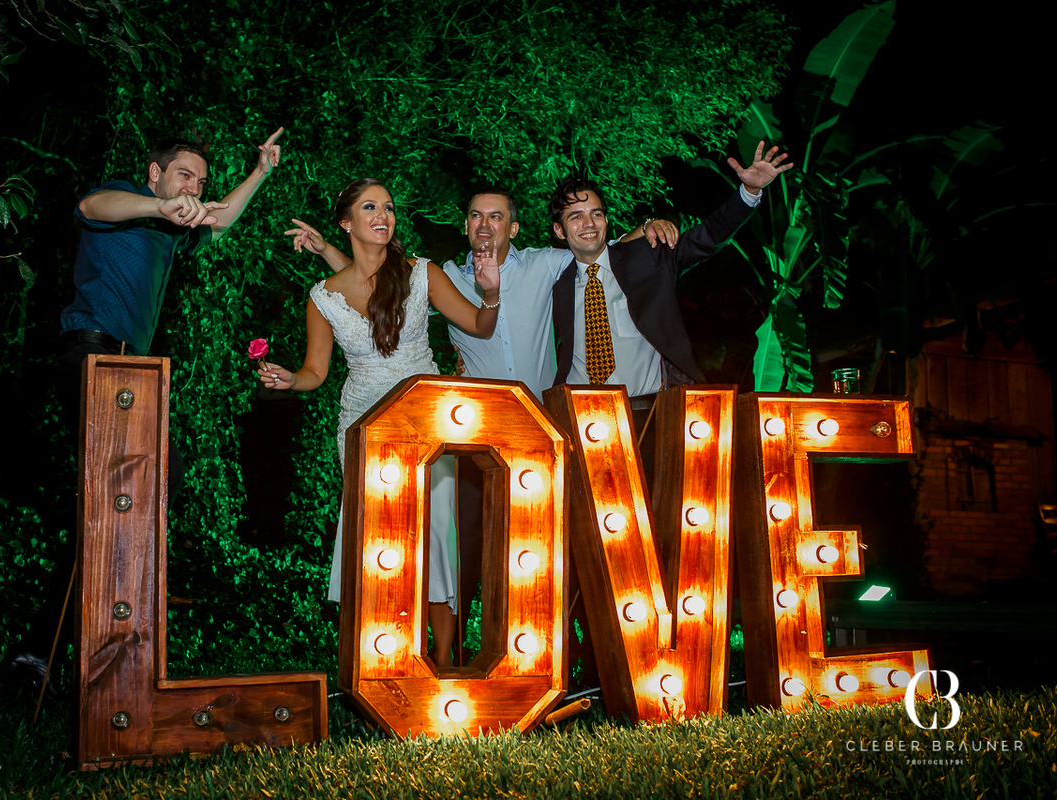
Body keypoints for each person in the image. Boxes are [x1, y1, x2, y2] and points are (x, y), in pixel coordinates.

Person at [285, 190, 679, 661]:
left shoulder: (542, 264)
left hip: (531, 430)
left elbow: (594, 245)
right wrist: (330, 252)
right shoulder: (446, 274)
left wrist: (646, 228)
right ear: (466, 226)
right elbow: (371, 290)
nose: (486, 225)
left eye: (497, 216)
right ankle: (423, 659)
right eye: (476, 216)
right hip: (460, 433)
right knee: (447, 548)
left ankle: (553, 656)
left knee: (542, 549)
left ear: (514, 227)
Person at [259, 178, 501, 669]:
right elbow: (316, 371)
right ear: (346, 223)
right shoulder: (323, 297)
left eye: (388, 207)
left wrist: (492, 293)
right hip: (363, 425)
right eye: (370, 207)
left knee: (435, 533)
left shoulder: (422, 274)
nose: (383, 215)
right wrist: (290, 379)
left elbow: (480, 324)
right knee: (376, 539)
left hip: (427, 418)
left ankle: (444, 659)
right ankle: (381, 659)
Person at [56, 127, 285, 496]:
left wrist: (260, 172)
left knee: (158, 474)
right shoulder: (128, 200)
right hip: (91, 353)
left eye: (201, 182)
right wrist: (157, 206)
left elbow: (218, 225)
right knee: (139, 472)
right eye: (185, 175)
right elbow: (91, 206)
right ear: (155, 173)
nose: (193, 189)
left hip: (130, 365)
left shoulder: (171, 230)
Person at [550, 141, 793, 393]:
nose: (589, 223)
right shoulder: (552, 283)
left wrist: (749, 192)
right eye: (576, 216)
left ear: (606, 220)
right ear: (559, 230)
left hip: (648, 407)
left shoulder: (646, 258)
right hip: (578, 408)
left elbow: (707, 236)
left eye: (596, 214)